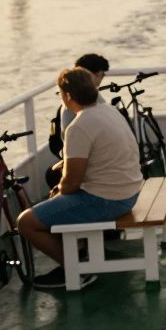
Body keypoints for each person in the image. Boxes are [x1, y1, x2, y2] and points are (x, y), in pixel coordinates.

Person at [18, 67, 144, 290]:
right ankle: (78, 253)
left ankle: (76, 270)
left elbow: (72, 182)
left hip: (108, 200)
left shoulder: (79, 126)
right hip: (130, 192)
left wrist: (58, 191)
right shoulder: (109, 111)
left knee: (26, 222)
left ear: (67, 96)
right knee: (57, 204)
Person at [48, 53, 111, 188]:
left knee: (51, 176)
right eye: (101, 75)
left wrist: (60, 192)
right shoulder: (106, 108)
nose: (102, 79)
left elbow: (71, 182)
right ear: (90, 76)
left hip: (98, 174)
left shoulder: (75, 111)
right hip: (116, 177)